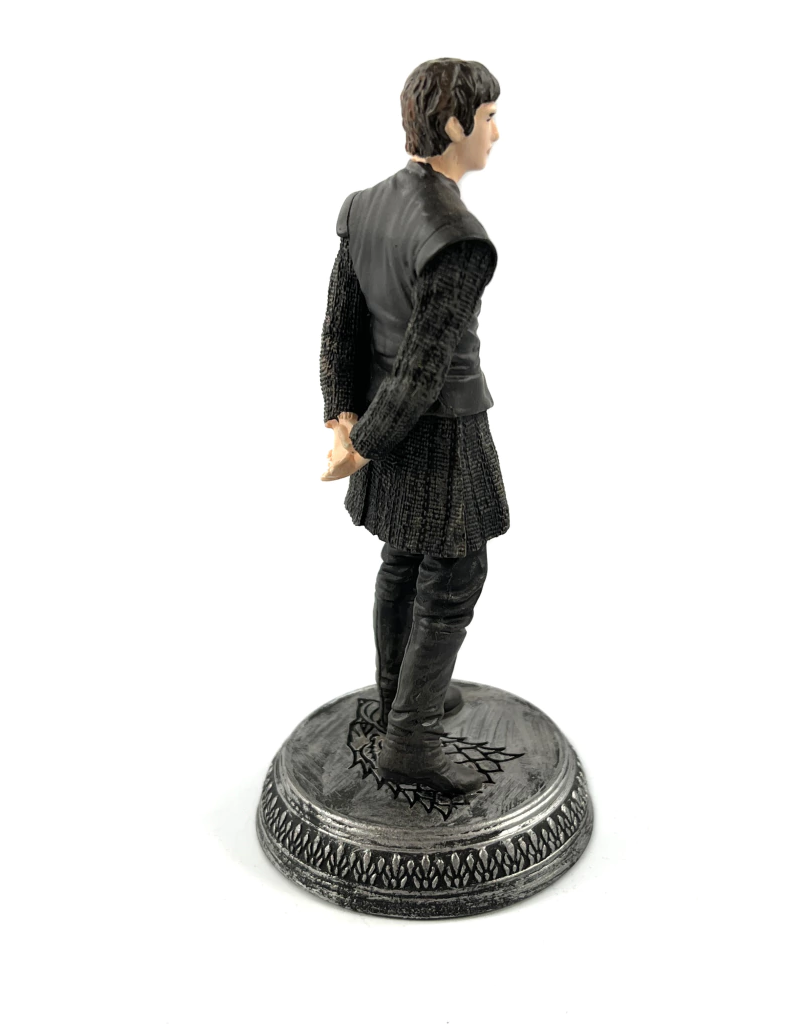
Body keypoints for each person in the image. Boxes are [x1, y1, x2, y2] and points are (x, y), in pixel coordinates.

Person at [318, 58, 508, 796]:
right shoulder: (456, 237)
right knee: (454, 574)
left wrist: (345, 421)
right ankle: (411, 739)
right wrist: (360, 445)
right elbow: (426, 370)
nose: (496, 131)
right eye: (488, 117)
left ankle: (398, 692)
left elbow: (339, 328)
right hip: (439, 431)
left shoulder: (363, 205)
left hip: (383, 423)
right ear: (455, 124)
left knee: (403, 558)